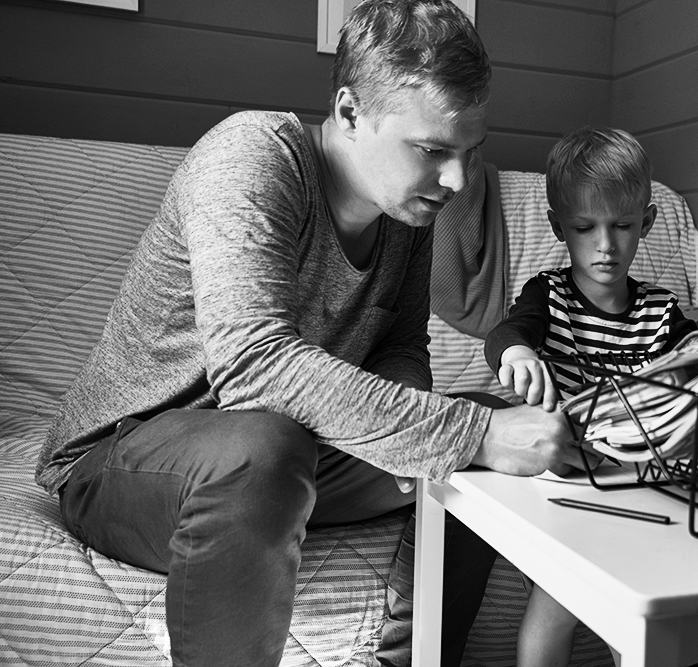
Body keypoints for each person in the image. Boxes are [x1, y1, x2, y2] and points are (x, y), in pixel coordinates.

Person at [34, 2, 585, 666]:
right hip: (123, 458)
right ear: (350, 112)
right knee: (279, 445)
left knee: (480, 427)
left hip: (295, 451)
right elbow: (254, 363)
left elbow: (401, 349)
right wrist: (466, 434)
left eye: (470, 152)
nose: (458, 180)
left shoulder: (408, 213)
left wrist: (426, 437)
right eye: (433, 150)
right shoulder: (253, 154)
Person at [484, 126, 696, 667]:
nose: (606, 245)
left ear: (647, 222)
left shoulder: (661, 310)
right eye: (585, 227)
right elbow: (510, 332)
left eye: (623, 225)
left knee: (639, 611)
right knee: (558, 601)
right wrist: (518, 354)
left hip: (642, 477)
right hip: (568, 474)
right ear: (560, 227)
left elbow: (693, 367)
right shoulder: (548, 293)